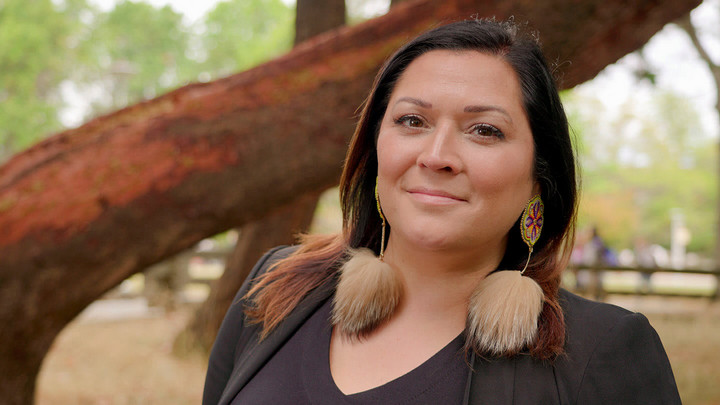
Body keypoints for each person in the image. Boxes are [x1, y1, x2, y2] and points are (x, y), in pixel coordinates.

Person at [203, 19, 680, 404]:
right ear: (375, 150)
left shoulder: (603, 351)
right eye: (412, 121)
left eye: (484, 131)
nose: (436, 155)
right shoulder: (277, 288)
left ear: (540, 175)